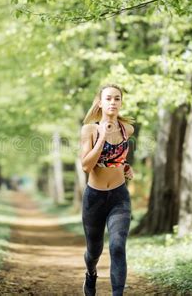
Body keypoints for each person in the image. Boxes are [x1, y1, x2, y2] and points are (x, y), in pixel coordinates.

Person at [80, 84, 134, 296]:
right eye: (109, 98)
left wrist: (126, 167)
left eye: (117, 99)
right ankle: (91, 274)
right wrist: (102, 136)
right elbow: (86, 165)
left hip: (119, 198)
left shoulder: (127, 129)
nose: (113, 102)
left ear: (121, 103)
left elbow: (118, 157)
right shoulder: (89, 130)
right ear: (100, 103)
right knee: (94, 251)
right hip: (94, 198)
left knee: (118, 246)